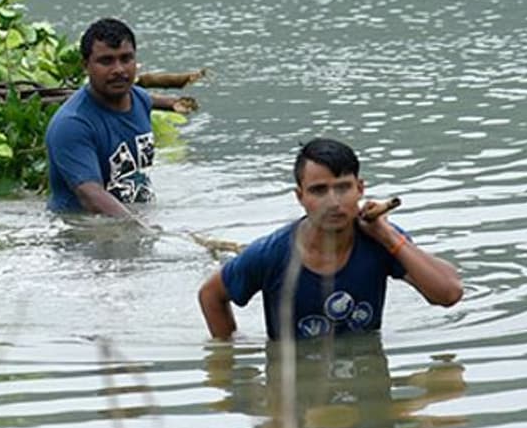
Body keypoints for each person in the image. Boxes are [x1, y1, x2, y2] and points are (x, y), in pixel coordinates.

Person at [197, 138, 462, 340]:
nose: (333, 202)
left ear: (360, 189)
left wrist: (389, 236)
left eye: (343, 187)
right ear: (300, 197)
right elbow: (211, 295)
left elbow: (449, 293)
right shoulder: (272, 253)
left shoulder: (381, 239)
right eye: (319, 191)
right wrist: (230, 356)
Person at [45, 17, 156, 216]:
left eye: (126, 58)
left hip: (131, 218)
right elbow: (91, 196)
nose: (119, 70)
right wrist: (143, 229)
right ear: (85, 65)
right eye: (106, 61)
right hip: (84, 229)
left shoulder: (141, 100)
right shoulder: (71, 124)